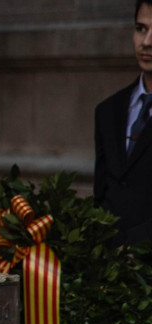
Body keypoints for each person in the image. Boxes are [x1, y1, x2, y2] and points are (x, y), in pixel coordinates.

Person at [95, 0, 152, 246]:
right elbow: (103, 193)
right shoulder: (108, 110)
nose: (147, 42)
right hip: (110, 268)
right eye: (141, 29)